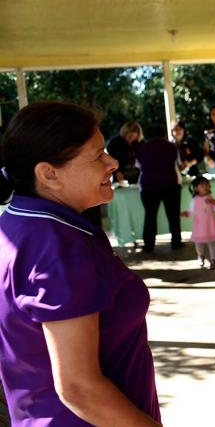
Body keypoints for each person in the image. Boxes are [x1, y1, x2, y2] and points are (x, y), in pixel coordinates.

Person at [0, 101, 161, 426]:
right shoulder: (58, 247)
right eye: (98, 154)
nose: (112, 162)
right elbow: (79, 388)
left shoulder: (19, 223)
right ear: (49, 174)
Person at [136, 124, 183, 251]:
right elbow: (178, 163)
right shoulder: (171, 146)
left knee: (150, 216)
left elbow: (138, 165)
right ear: (164, 134)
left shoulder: (142, 147)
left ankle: (149, 245)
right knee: (173, 216)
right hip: (170, 184)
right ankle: (176, 242)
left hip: (149, 185)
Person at [181, 176, 215, 270]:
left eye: (207, 185)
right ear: (196, 188)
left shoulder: (211, 198)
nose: (206, 187)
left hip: (210, 225)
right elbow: (191, 211)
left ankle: (213, 260)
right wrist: (186, 213)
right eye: (202, 185)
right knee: (199, 243)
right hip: (199, 226)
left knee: (211, 243)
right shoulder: (194, 200)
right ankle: (201, 256)